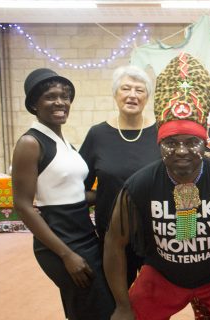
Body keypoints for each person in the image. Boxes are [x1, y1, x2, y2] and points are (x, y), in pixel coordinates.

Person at [103, 53, 210, 320]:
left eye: (192, 142)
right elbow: (113, 242)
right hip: (162, 276)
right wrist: (122, 306)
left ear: (205, 143)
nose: (181, 151)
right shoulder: (139, 185)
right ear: (159, 144)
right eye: (172, 142)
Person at [12, 68, 114, 319]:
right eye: (50, 96)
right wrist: (67, 255)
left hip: (83, 233)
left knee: (86, 308)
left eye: (65, 96)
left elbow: (75, 193)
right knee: (97, 307)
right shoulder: (30, 143)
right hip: (60, 240)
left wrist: (115, 191)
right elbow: (23, 205)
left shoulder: (63, 142)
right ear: (34, 104)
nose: (60, 102)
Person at [79, 65, 158, 287]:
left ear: (147, 97)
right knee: (115, 302)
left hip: (156, 236)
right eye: (126, 88)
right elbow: (78, 188)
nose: (132, 95)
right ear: (115, 94)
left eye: (139, 90)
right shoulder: (97, 135)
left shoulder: (161, 134)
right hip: (111, 236)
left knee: (153, 300)